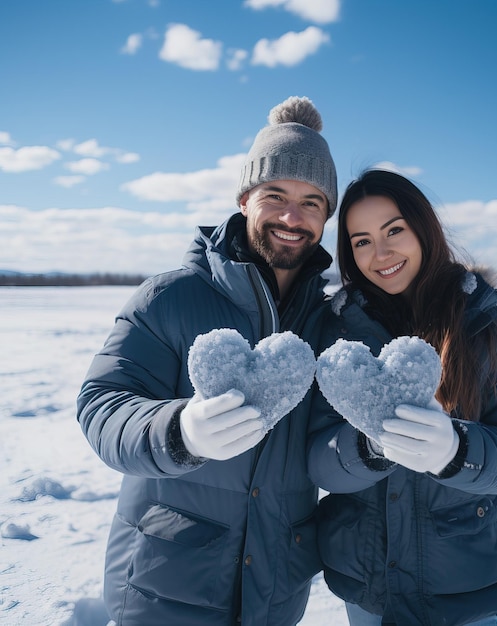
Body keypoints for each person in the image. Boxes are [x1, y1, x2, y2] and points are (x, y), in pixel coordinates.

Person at [76, 96, 337, 626]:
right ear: (244, 199)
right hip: (163, 585)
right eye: (275, 195)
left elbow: (325, 446)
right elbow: (101, 405)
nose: (293, 217)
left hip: (276, 589)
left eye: (312, 202)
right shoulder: (170, 298)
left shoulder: (330, 325)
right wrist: (178, 432)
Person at [308, 169, 497, 625]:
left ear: (423, 227)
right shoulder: (335, 336)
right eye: (361, 241)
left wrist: (457, 451)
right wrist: (367, 448)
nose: (381, 253)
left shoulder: (484, 326)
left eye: (394, 230)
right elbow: (315, 459)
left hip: (462, 580)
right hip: (367, 582)